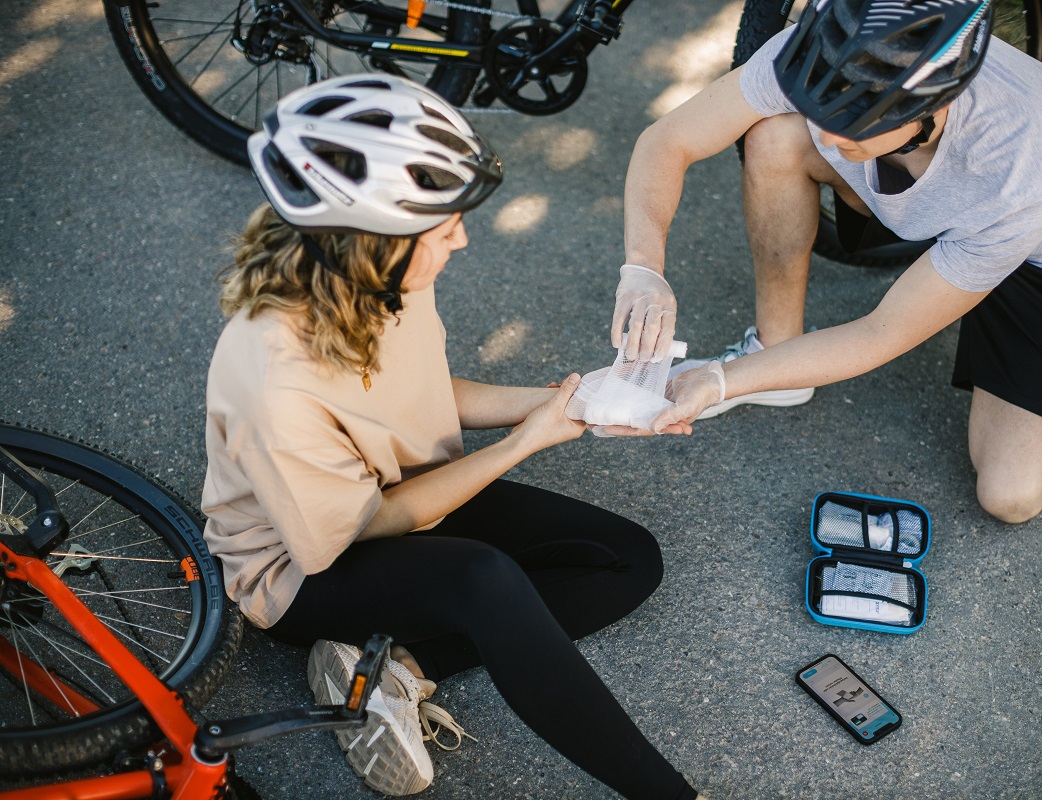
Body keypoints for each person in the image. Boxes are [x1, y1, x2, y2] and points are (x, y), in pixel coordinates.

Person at [201, 74, 704, 800]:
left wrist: (581, 401)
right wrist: (524, 442)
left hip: (400, 489)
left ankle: (394, 668)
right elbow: (359, 529)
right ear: (372, 240)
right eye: (443, 230)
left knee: (630, 560)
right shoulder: (275, 381)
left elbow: (427, 392)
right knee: (485, 579)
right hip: (300, 570)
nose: (462, 238)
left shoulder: (385, 278)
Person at [610, 0, 1042, 523]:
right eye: (819, 108)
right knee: (776, 136)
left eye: (851, 123)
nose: (827, 138)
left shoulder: (1021, 171)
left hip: (1036, 260)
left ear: (931, 106)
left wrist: (719, 379)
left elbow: (881, 332)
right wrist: (643, 269)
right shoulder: (826, 51)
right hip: (927, 192)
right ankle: (778, 353)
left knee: (1011, 496)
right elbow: (668, 140)